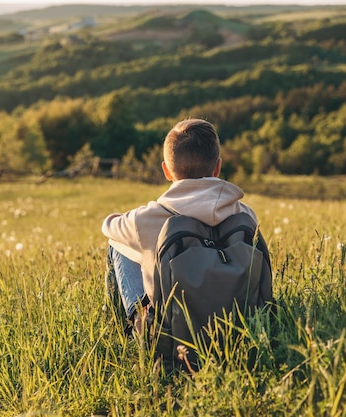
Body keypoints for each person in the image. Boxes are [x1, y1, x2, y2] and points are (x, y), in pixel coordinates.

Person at [101, 118, 262, 335]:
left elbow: (108, 227)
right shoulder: (245, 214)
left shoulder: (147, 218)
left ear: (167, 171)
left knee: (117, 244)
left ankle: (127, 327)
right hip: (243, 327)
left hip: (174, 334)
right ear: (217, 167)